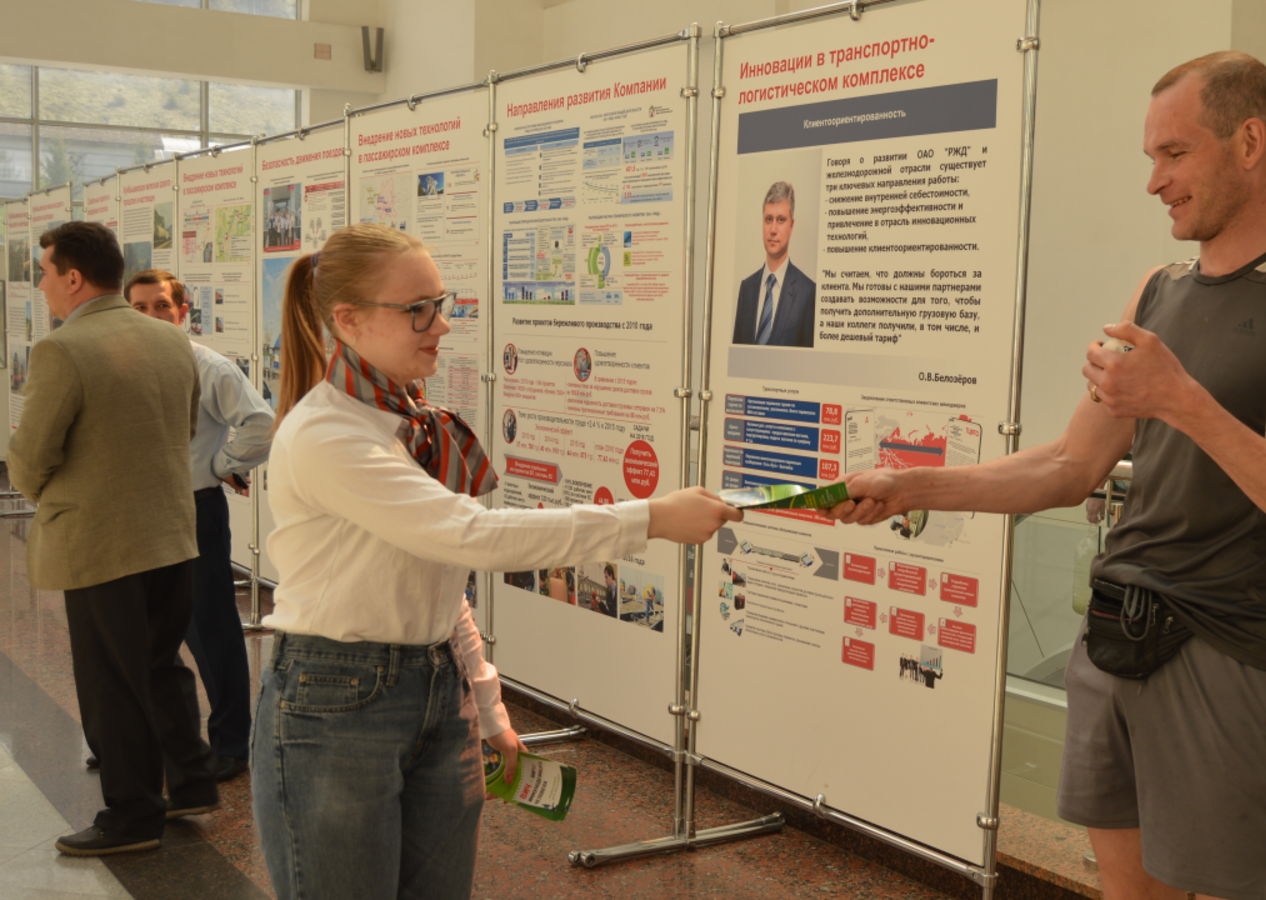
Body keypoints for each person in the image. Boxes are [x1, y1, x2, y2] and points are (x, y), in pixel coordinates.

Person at [831, 51, 1266, 900]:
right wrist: (912, 488)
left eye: (1175, 153)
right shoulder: (1158, 291)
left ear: (1250, 143)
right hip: (1112, 634)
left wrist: (1182, 401)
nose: (1154, 182)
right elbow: (1070, 465)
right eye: (1151, 157)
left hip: (1227, 648)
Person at [254, 222, 740, 898]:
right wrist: (650, 518)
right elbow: (471, 537)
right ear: (349, 319)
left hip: (435, 688)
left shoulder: (409, 422)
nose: (441, 325)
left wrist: (487, 708)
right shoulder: (326, 434)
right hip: (336, 701)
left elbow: (440, 580)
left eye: (440, 303)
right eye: (417, 309)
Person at [10, 222, 218, 856]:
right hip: (170, 534)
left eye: (45, 272)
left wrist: (40, 484)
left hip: (100, 543)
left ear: (73, 277)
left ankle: (132, 817)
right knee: (159, 665)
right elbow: (184, 427)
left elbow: (30, 458)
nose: (42, 284)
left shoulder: (63, 349)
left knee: (111, 682)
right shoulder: (170, 339)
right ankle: (191, 784)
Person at [125, 268, 272, 782]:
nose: (151, 316)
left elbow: (260, 423)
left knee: (210, 630)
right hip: (133, 511)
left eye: (162, 306)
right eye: (139, 308)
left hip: (192, 509)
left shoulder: (208, 367)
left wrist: (219, 465)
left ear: (183, 312)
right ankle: (142, 739)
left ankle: (231, 744)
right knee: (137, 632)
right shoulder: (119, 365)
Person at [731, 181, 816, 347]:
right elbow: (737, 356)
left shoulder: (807, 293)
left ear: (791, 226)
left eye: (781, 220)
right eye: (768, 219)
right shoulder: (746, 289)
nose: (773, 229)